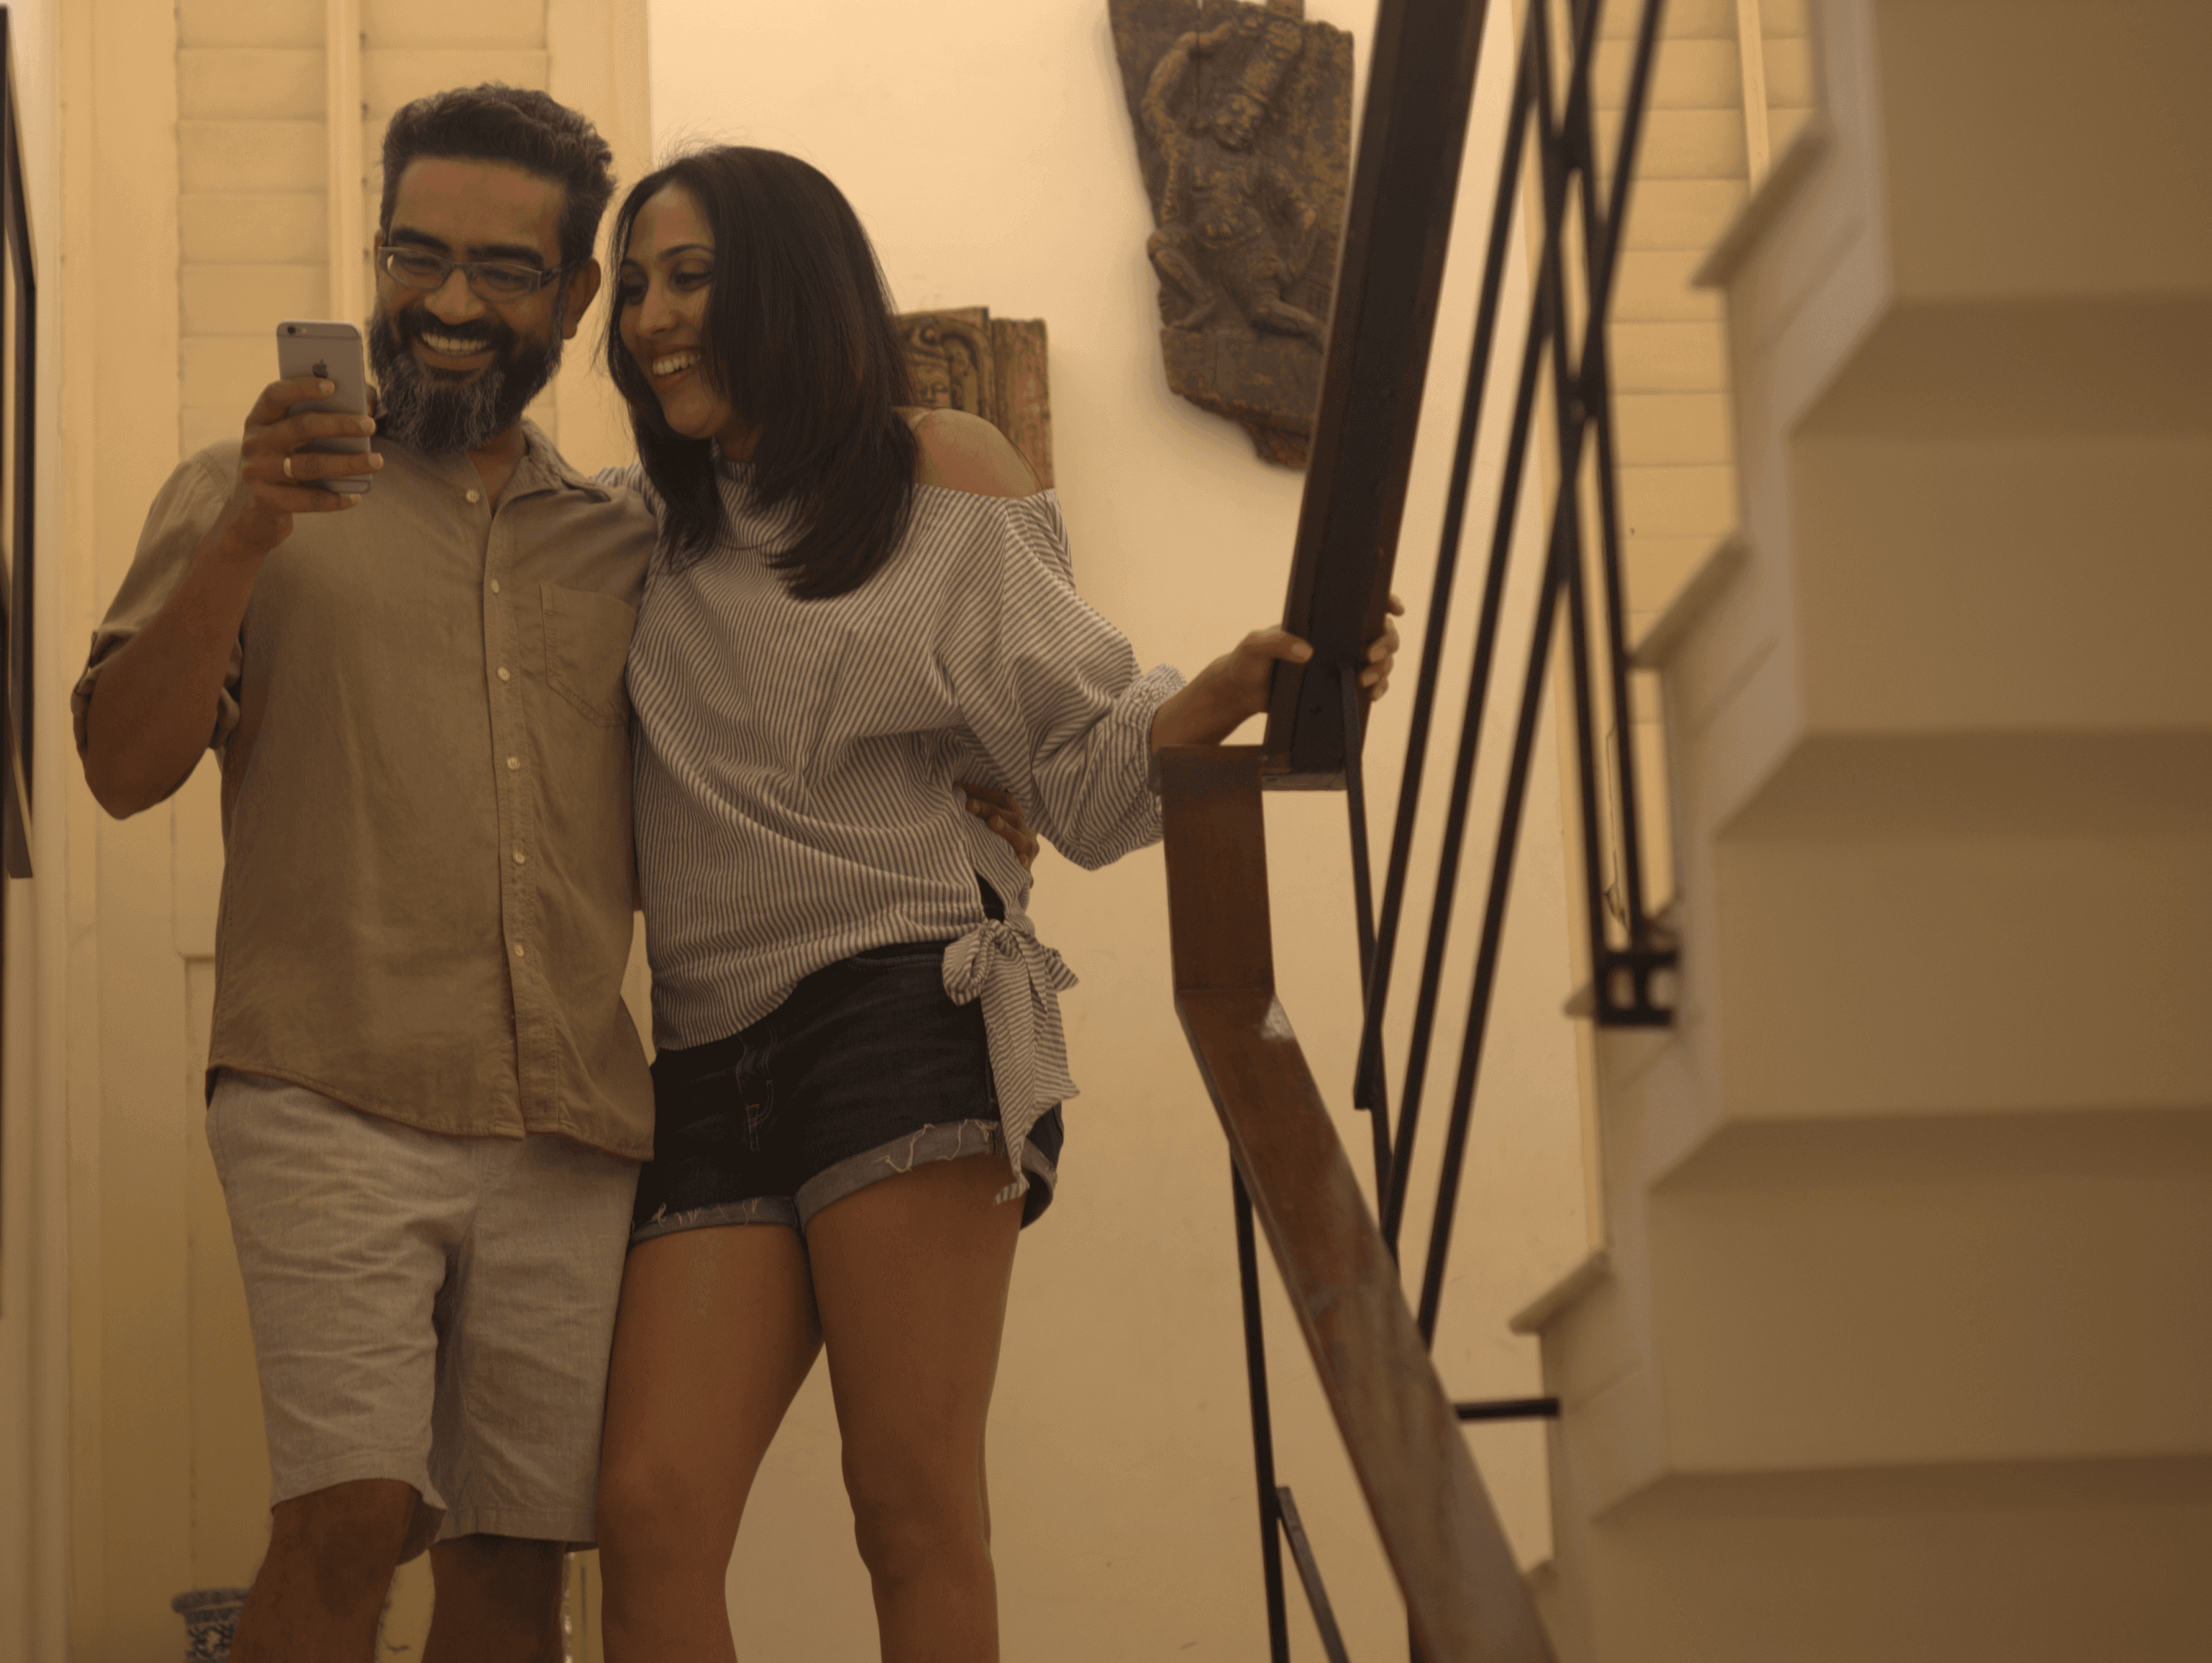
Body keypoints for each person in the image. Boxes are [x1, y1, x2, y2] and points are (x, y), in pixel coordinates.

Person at [587, 145, 1399, 1663]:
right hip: (700, 1053)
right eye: (632, 285)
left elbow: (1087, 783)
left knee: (908, 1504)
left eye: (688, 275)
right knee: (646, 1506)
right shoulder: (634, 531)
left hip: (902, 1011)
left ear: (790, 278)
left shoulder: (937, 472)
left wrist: (1229, 691)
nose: (647, 314)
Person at [74, 86, 644, 1663]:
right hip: (326, 1087)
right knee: (346, 1522)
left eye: (504, 269)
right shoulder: (242, 488)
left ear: (572, 299)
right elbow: (120, 773)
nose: (452, 303)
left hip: (572, 1123)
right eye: (418, 253)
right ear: (375, 254)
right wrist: (248, 536)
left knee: (520, 1567)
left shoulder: (623, 545)